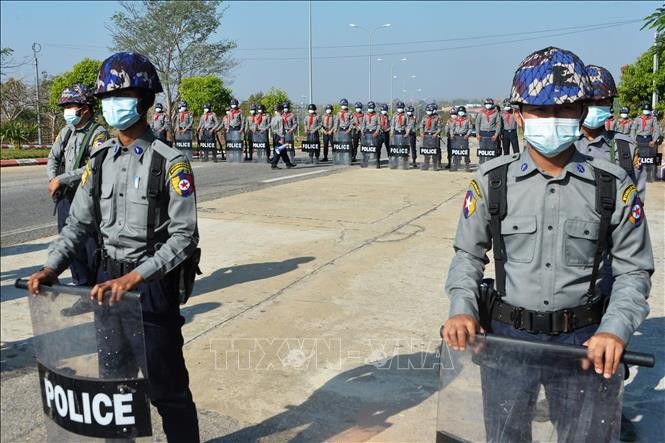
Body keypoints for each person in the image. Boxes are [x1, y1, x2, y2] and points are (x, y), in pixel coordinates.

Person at [442, 46, 653, 443]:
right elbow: (468, 255)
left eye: (564, 109)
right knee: (505, 437)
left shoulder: (612, 185)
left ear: (581, 112)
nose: (551, 120)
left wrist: (616, 329)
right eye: (539, 111)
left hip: (584, 341)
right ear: (519, 115)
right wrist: (461, 308)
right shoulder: (492, 182)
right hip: (506, 338)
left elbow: (633, 270)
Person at [29, 51, 201, 442]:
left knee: (168, 392)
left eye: (120, 96)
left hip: (151, 290)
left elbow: (184, 236)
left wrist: (136, 278)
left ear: (144, 102)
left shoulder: (170, 163)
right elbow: (78, 224)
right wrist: (51, 266)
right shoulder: (101, 160)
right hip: (107, 287)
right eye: (106, 96)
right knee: (114, 390)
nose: (111, 104)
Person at [47, 84, 109, 316]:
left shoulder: (98, 134)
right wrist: (53, 179)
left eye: (70, 106)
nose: (67, 110)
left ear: (85, 108)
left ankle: (96, 290)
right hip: (66, 198)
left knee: (91, 246)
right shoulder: (66, 132)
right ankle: (82, 291)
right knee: (70, 243)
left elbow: (93, 167)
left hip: (88, 198)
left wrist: (62, 179)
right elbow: (53, 157)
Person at [631, 103, 661, 182]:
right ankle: (638, 174)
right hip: (639, 139)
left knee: (648, 157)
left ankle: (648, 176)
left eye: (647, 110)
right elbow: (633, 129)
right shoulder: (638, 118)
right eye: (645, 110)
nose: (646, 111)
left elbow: (656, 130)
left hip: (648, 139)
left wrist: (654, 140)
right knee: (638, 156)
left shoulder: (653, 119)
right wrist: (634, 140)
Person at [476, 98, 502, 164]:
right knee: (482, 151)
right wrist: (477, 134)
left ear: (492, 105)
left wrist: (496, 135)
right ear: (485, 105)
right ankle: (481, 165)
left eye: (489, 104)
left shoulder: (495, 113)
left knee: (491, 152)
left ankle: (491, 166)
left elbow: (498, 124)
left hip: (492, 134)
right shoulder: (481, 112)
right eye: (487, 104)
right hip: (482, 134)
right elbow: (477, 123)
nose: (488, 105)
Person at [420, 103, 443, 170]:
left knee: (434, 151)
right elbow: (421, 126)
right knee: (426, 151)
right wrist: (421, 133)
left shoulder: (437, 118)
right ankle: (426, 165)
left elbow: (440, 127)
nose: (428, 111)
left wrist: (436, 134)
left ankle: (435, 165)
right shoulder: (424, 117)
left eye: (430, 110)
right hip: (426, 136)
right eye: (427, 110)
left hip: (434, 136)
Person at [450, 105, 472, 171]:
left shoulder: (467, 120)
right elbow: (452, 128)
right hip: (456, 137)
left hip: (464, 137)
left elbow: (470, 128)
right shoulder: (454, 120)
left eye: (462, 111)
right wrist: (452, 134)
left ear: (464, 112)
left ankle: (467, 166)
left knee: (465, 152)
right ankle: (455, 166)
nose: (461, 113)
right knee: (455, 152)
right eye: (460, 111)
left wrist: (467, 135)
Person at [361, 101, 381, 168]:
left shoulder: (377, 115)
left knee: (376, 148)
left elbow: (379, 124)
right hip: (367, 133)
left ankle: (377, 162)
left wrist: (376, 132)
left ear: (373, 108)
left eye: (371, 107)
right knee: (367, 148)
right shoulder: (365, 115)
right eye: (369, 107)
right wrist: (362, 131)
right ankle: (365, 162)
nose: (370, 109)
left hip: (374, 133)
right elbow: (363, 124)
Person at [377, 103, 391, 168]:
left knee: (388, 148)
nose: (383, 111)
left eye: (384, 110)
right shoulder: (378, 117)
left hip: (386, 134)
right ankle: (378, 162)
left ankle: (390, 161)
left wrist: (388, 129)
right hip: (380, 134)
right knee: (378, 148)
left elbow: (392, 125)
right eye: (382, 110)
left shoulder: (389, 117)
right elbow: (376, 124)